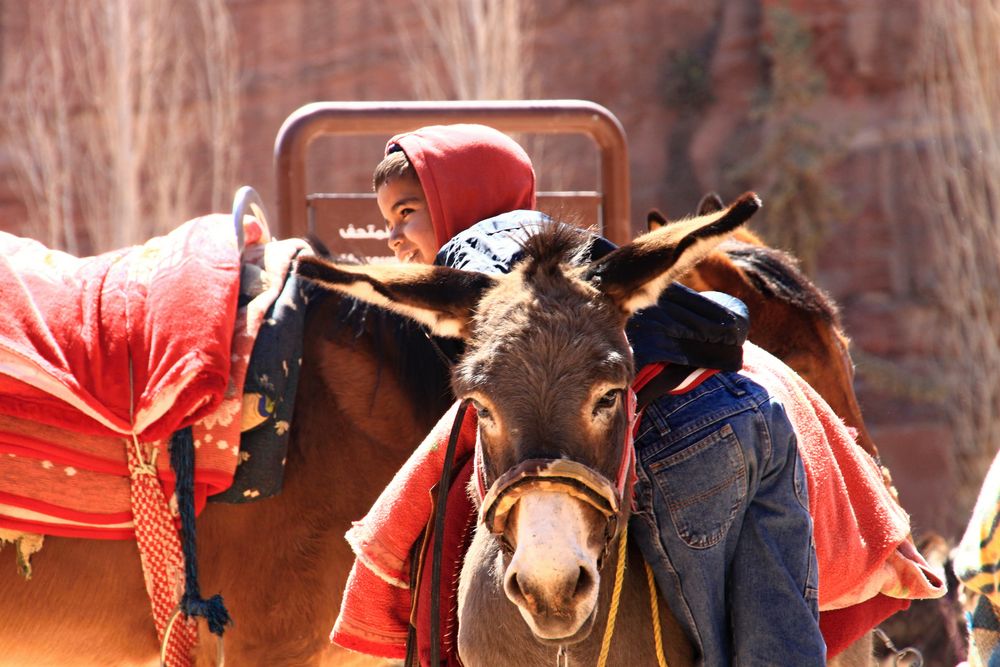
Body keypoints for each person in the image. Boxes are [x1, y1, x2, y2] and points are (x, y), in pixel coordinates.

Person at [368, 123, 826, 665]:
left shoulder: (476, 281)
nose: (394, 238)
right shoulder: (563, 248)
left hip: (673, 431)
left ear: (456, 197)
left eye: (405, 213)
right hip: (746, 407)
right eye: (387, 221)